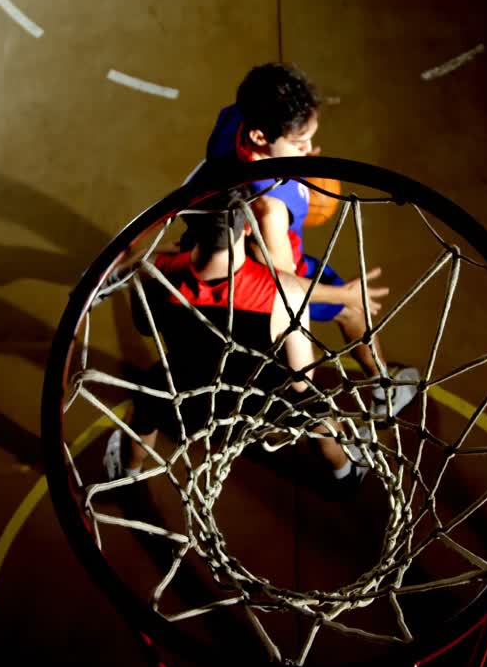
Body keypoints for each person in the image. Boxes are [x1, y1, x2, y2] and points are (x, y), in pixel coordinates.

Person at [193, 62, 419, 415]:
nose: (310, 147)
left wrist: (293, 154)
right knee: (349, 314)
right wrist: (344, 294)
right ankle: (381, 392)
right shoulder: (270, 208)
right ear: (260, 137)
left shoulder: (233, 120)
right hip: (265, 287)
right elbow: (285, 286)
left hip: (232, 251)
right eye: (299, 143)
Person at [104, 191, 368, 486]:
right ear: (246, 227)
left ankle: (128, 472)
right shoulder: (284, 291)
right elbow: (300, 379)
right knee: (316, 409)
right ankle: (346, 473)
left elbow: (144, 326)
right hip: (259, 408)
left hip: (187, 404)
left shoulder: (152, 273)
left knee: (147, 401)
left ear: (190, 229)